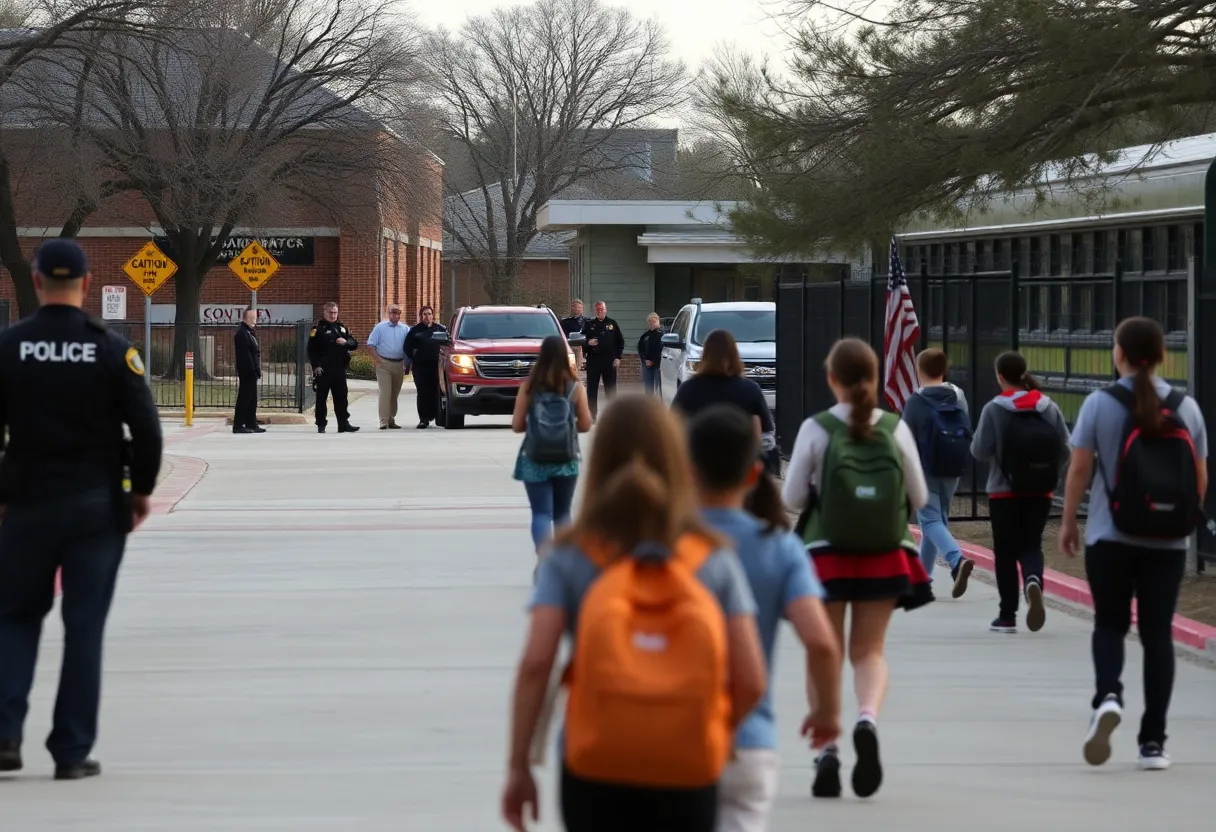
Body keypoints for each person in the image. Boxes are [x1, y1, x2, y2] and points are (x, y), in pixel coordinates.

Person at [501, 394, 767, 832]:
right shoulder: (711, 558)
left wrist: (519, 766)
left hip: (595, 762)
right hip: (686, 766)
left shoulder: (569, 556)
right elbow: (751, 679)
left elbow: (535, 664)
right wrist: (709, 730)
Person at [0, 238, 163, 780]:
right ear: (87, 284)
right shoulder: (112, 349)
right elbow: (145, 426)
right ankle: (70, 752)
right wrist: (140, 490)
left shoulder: (10, 346)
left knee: (15, 618)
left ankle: (4, 734)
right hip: (96, 506)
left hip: (25, 505)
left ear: (40, 282)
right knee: (84, 624)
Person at [782, 337, 931, 800]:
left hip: (826, 554)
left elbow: (791, 499)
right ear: (873, 377)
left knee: (822, 653)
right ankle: (867, 718)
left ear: (832, 379)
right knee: (869, 651)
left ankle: (827, 751)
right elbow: (920, 498)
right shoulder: (895, 427)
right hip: (884, 554)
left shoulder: (817, 427)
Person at [1059, 317, 1207, 771]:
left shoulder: (1100, 404)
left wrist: (1068, 522)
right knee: (1158, 633)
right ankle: (1154, 744)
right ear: (1163, 355)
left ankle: (1107, 697)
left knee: (1110, 623)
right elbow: (1198, 479)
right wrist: (1179, 523)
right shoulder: (1188, 408)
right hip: (1168, 543)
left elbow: (1080, 469)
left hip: (1111, 534)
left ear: (1118, 354)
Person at [687, 405, 842, 832]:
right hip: (748, 741)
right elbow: (822, 643)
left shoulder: (665, 543)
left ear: (686, 471)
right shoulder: (779, 547)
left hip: (671, 741)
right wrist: (826, 713)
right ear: (754, 475)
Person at [970, 351, 1070, 634]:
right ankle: (1033, 580)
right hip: (1040, 491)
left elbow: (979, 450)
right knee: (1031, 544)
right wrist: (1046, 472)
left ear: (1000, 376)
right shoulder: (1048, 406)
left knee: (1004, 551)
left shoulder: (994, 408)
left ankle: (1007, 616)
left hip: (1004, 492)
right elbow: (1066, 448)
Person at [511, 334, 593, 565]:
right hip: (565, 459)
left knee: (541, 513)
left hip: (534, 458)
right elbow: (586, 424)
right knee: (562, 513)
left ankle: (545, 560)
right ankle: (564, 564)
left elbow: (517, 426)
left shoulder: (529, 387)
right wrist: (565, 428)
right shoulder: (575, 387)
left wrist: (538, 426)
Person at [899, 348, 974, 596]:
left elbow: (905, 439)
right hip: (953, 465)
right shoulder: (958, 395)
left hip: (925, 468)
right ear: (944, 370)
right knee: (936, 521)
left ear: (919, 371)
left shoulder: (915, 401)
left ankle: (956, 560)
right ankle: (922, 579)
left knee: (930, 521)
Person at [671, 329, 778, 476]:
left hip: (698, 466)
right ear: (735, 355)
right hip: (740, 466)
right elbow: (767, 435)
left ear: (705, 355)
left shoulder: (688, 389)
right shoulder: (750, 390)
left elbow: (671, 426)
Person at [307, 302, 360, 434]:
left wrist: (346, 342)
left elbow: (354, 343)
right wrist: (316, 366)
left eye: (335, 312)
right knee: (321, 398)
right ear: (325, 313)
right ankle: (321, 424)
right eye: (330, 312)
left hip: (339, 369)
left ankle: (343, 424)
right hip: (324, 370)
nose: (333, 315)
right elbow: (311, 350)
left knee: (341, 397)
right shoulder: (318, 329)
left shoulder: (341, 328)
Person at [367, 304, 409, 430]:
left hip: (399, 364)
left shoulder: (405, 329)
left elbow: (409, 347)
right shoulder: (380, 328)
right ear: (388, 313)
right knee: (385, 392)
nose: (396, 315)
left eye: (398, 313)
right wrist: (378, 360)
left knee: (394, 394)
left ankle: (391, 418)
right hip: (384, 364)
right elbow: (370, 345)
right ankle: (383, 420)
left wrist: (407, 363)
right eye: (393, 313)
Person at [404, 306, 447, 429]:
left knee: (436, 392)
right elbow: (407, 347)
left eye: (429, 314)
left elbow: (447, 344)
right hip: (420, 367)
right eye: (424, 314)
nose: (427, 316)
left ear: (433, 315)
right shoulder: (415, 331)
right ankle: (423, 419)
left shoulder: (440, 329)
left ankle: (436, 416)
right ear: (421, 316)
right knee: (422, 393)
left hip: (436, 366)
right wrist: (414, 355)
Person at [580, 301, 624, 419]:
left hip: (609, 360)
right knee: (592, 389)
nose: (600, 311)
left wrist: (618, 357)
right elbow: (581, 340)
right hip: (593, 360)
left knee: (610, 388)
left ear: (606, 310)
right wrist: (588, 343)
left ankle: (612, 415)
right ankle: (592, 414)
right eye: (598, 309)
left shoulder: (612, 324)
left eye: (602, 309)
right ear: (595, 311)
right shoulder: (589, 324)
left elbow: (620, 342)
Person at [232, 307, 265, 434]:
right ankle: (238, 424)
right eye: (253, 318)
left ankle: (251, 423)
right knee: (244, 398)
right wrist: (252, 369)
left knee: (252, 399)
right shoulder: (242, 333)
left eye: (255, 318)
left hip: (252, 371)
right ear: (246, 318)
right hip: (247, 371)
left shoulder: (250, 332)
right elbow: (245, 355)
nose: (255, 320)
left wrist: (256, 369)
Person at [637, 313, 664, 395]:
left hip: (659, 365)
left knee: (658, 388)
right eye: (650, 321)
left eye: (654, 321)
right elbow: (640, 349)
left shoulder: (663, 335)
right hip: (647, 365)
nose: (652, 323)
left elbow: (662, 350)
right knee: (648, 387)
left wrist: (654, 361)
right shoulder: (645, 336)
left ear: (658, 321)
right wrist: (645, 360)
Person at [560, 299, 588, 370]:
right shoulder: (565, 322)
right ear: (572, 308)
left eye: (579, 307)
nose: (577, 309)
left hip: (583, 349)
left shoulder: (588, 322)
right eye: (575, 307)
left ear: (582, 309)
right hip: (569, 347)